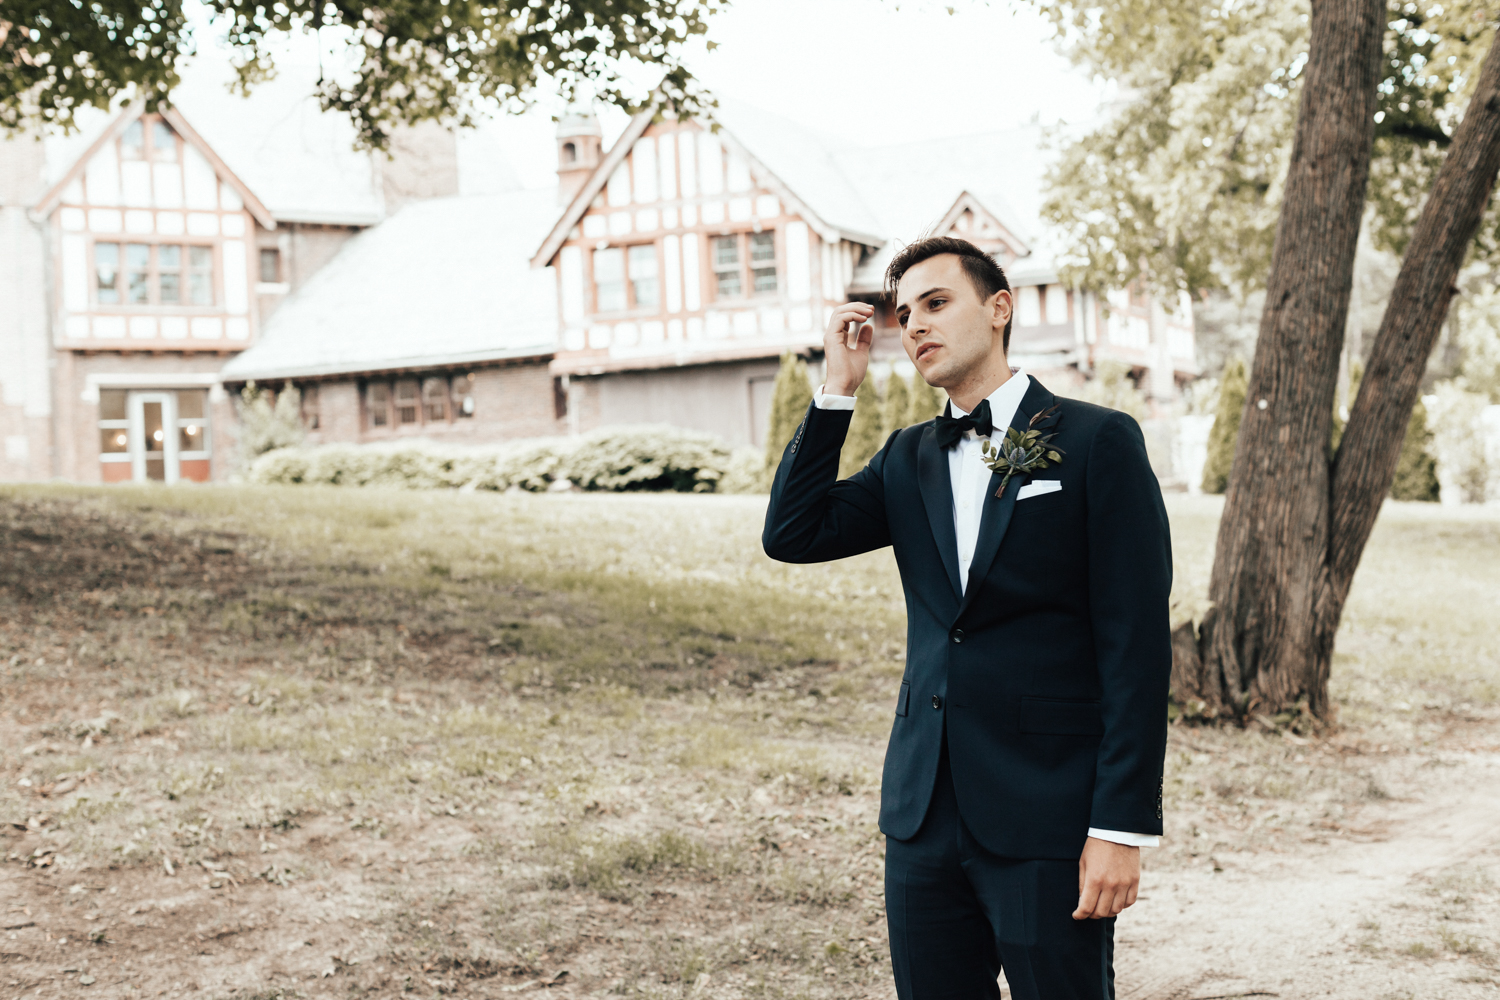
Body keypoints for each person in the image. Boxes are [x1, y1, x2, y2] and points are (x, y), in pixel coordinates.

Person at [762, 236, 1171, 1000]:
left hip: (1047, 815)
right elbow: (792, 533)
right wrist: (837, 391)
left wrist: (1120, 827)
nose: (915, 323)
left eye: (937, 302)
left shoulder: (1096, 442)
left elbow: (1137, 649)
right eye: (904, 313)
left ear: (999, 308)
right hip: (921, 817)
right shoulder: (906, 457)